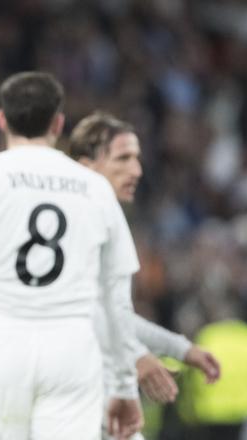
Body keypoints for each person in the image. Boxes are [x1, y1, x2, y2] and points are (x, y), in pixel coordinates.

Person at [0, 71, 143, 440]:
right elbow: (117, 298)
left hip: (2, 340)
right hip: (71, 346)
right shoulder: (94, 187)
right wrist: (124, 385)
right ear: (58, 123)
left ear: (2, 119)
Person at [67, 111, 221, 439]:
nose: (136, 170)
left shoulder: (103, 220)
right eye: (123, 159)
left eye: (137, 159)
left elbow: (113, 315)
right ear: (86, 167)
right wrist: (137, 356)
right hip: (69, 395)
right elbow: (79, 309)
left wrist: (181, 349)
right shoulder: (75, 227)